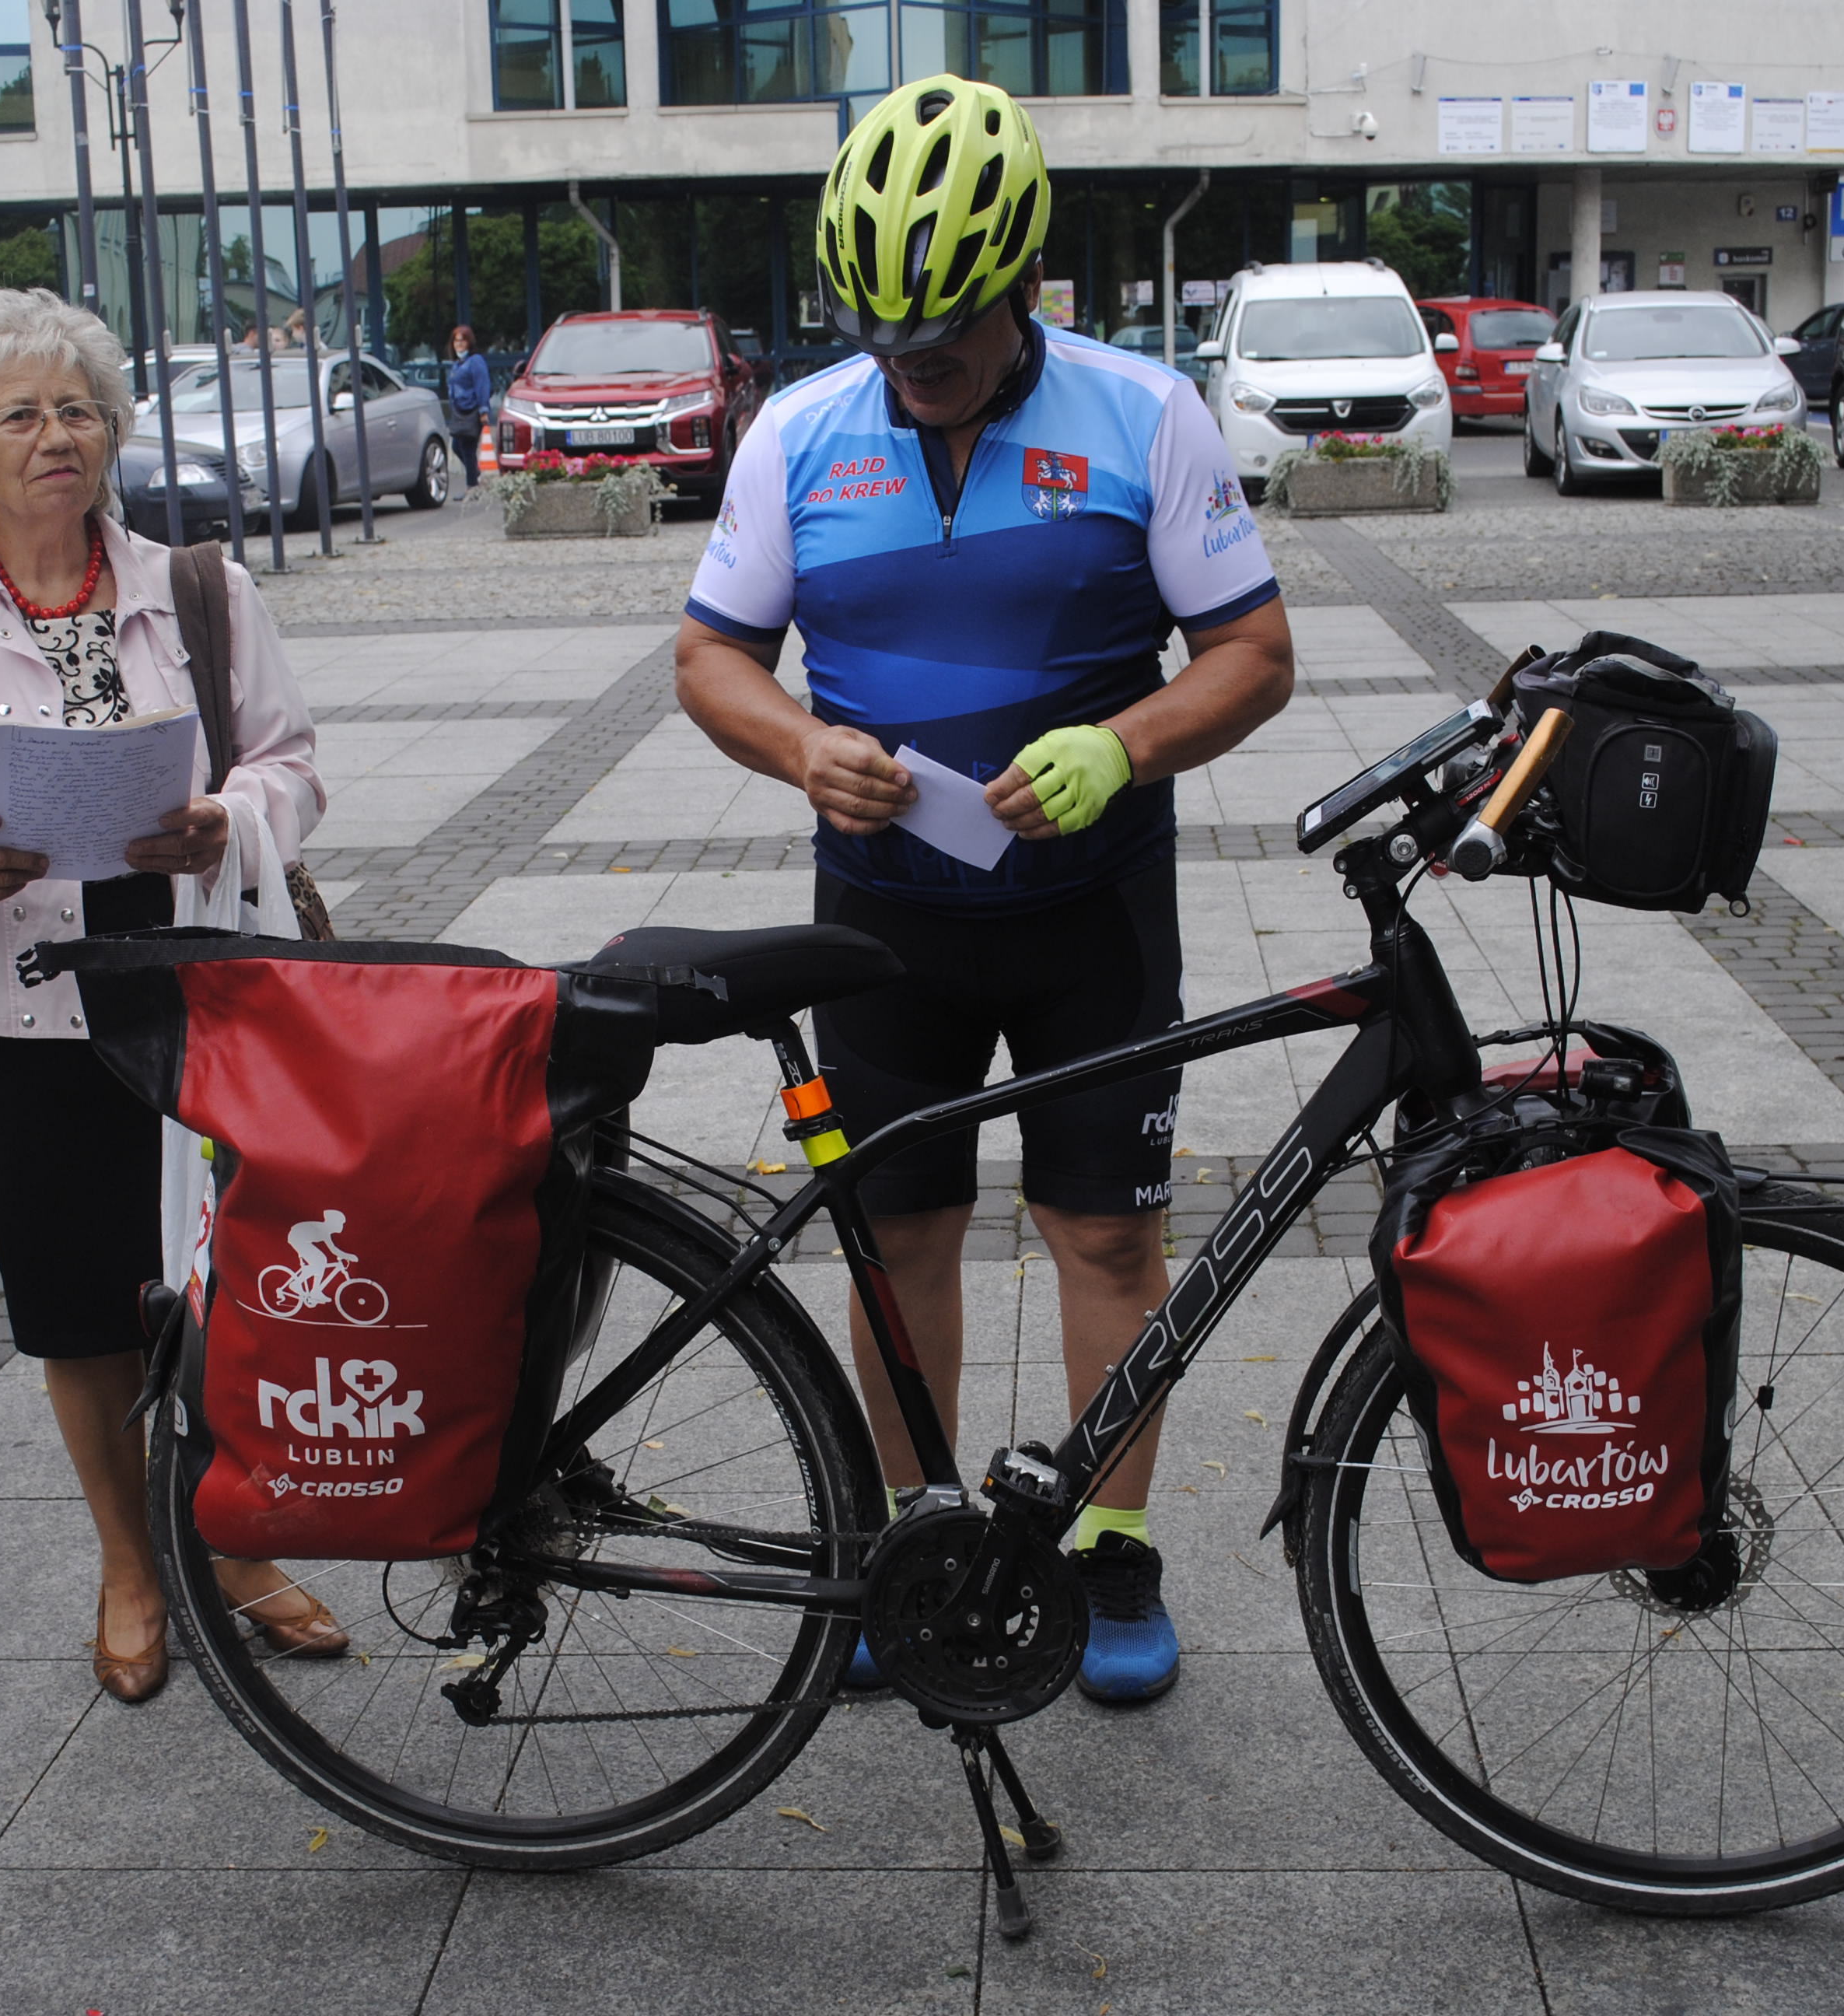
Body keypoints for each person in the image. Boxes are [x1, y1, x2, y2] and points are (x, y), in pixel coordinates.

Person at [675, 76, 1294, 1704]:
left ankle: (1108, 1548)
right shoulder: (799, 431)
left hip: (1093, 915)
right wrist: (800, 749)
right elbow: (707, 659)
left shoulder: (1142, 413)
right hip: (883, 923)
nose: (913, 359)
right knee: (903, 1242)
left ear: (1018, 280)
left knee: (1104, 1239)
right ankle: (914, 1536)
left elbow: (1255, 655)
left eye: (942, 327)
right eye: (880, 329)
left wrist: (1126, 742)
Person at [0, 288, 335, 1703]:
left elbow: (292, 766)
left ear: (113, 432)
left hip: (194, 988)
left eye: (79, 410)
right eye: (22, 417)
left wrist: (224, 822)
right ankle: (130, 1557)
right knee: (77, 1308)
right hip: (23, 1006)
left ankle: (234, 1543)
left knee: (227, 1283)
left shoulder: (201, 591)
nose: (58, 437)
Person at [444, 324, 492, 492]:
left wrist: (483, 410)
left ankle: (472, 487)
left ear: (469, 343)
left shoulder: (475, 361)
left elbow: (482, 385)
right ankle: (475, 473)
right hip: (459, 413)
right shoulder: (457, 364)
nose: (459, 345)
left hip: (472, 411)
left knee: (467, 448)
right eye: (456, 342)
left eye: (462, 341)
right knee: (457, 447)